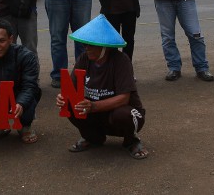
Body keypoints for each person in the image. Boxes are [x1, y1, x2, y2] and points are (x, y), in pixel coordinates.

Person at [56, 15, 148, 159]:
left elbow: (124, 98)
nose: (87, 48)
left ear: (104, 47)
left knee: (123, 115)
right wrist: (63, 97)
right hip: (95, 113)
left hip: (120, 112)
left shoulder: (121, 60)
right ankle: (93, 138)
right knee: (68, 105)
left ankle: (131, 141)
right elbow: (71, 88)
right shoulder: (84, 59)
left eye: (91, 45)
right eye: (85, 45)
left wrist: (93, 106)